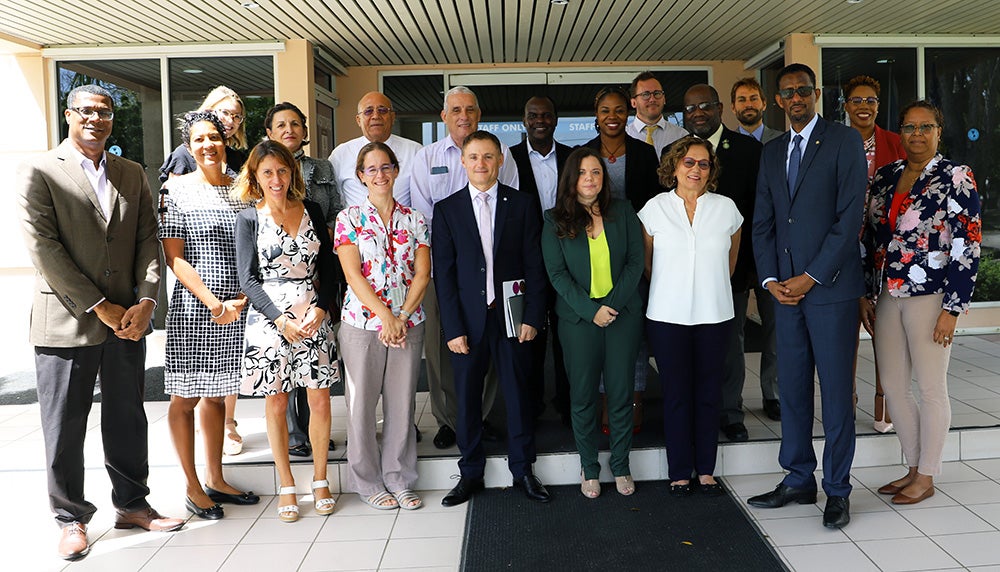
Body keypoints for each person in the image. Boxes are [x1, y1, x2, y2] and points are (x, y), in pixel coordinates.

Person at [17, 84, 184, 561]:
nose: (96, 119)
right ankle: (71, 518)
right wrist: (99, 306)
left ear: (113, 119)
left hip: (129, 320)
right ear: (69, 114)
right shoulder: (41, 169)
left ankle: (133, 504)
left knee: (128, 417)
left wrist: (148, 301)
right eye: (86, 111)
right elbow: (44, 248)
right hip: (68, 321)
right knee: (65, 424)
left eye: (105, 112)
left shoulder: (131, 172)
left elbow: (149, 239)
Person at [748, 63, 867, 530]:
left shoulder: (843, 141)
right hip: (785, 295)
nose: (795, 98)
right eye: (787, 93)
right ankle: (799, 478)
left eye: (803, 90)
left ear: (816, 94)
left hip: (831, 290)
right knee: (792, 389)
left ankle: (838, 489)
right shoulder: (772, 151)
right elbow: (764, 220)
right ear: (778, 100)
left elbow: (849, 218)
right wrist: (772, 280)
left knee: (836, 394)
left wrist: (811, 277)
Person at [861, 101, 981, 505]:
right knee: (894, 387)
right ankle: (911, 467)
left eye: (925, 126)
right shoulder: (885, 176)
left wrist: (952, 308)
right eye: (909, 127)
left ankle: (928, 474)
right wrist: (866, 292)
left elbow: (968, 245)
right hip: (887, 293)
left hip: (930, 294)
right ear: (900, 132)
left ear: (938, 131)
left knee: (931, 388)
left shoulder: (956, 177)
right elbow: (871, 239)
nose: (916, 134)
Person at [433, 130, 549, 506]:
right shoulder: (447, 209)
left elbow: (535, 264)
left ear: (499, 160)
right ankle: (469, 474)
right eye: (474, 157)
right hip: (467, 321)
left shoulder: (523, 204)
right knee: (467, 400)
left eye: (488, 157)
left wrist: (533, 314)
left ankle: (523, 471)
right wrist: (452, 327)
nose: (481, 164)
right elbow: (444, 275)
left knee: (518, 397)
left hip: (513, 317)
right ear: (463, 162)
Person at [159, 111, 260, 521]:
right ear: (188, 145)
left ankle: (216, 477)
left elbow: (251, 247)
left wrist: (237, 301)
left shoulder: (242, 189)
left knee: (218, 395)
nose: (208, 145)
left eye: (214, 137)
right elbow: (174, 257)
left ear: (226, 140)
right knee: (186, 397)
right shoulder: (175, 189)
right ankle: (191, 485)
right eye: (198, 139)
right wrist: (214, 303)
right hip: (195, 309)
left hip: (236, 308)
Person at [234, 140, 338, 523]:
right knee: (277, 402)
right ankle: (287, 484)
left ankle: (322, 480)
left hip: (313, 315)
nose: (276, 179)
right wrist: (279, 317)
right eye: (267, 172)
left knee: (321, 400)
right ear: (255, 177)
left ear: (292, 172)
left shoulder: (311, 209)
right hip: (270, 320)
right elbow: (248, 278)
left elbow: (329, 268)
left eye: (282, 170)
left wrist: (322, 307)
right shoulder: (248, 218)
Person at [411, 86, 519, 451]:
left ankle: (481, 415)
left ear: (479, 114)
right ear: (444, 116)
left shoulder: (501, 156)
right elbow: (424, 214)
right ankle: (448, 420)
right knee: (444, 346)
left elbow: (511, 210)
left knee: (486, 346)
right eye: (455, 109)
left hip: (491, 271)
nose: (463, 115)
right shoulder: (427, 158)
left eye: (470, 109)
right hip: (442, 267)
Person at [541, 147, 644, 498]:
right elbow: (556, 274)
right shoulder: (554, 219)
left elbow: (635, 262)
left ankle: (621, 465)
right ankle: (589, 467)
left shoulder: (624, 211)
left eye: (596, 172)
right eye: (583, 172)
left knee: (620, 394)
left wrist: (610, 306)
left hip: (622, 318)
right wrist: (591, 310)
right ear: (571, 178)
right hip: (578, 321)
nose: (590, 178)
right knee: (583, 396)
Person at [642, 136, 742, 497]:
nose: (696, 169)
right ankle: (680, 471)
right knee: (676, 393)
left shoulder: (727, 208)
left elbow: (729, 263)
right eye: (689, 162)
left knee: (708, 392)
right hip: (667, 315)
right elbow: (649, 264)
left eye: (703, 163)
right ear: (674, 166)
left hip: (714, 313)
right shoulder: (654, 209)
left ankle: (706, 470)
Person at [334, 142, 431, 510]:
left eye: (386, 167)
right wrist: (386, 316)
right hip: (362, 325)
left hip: (409, 322)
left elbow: (423, 274)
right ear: (361, 176)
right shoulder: (348, 219)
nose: (380, 174)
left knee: (402, 404)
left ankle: (399, 478)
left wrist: (402, 315)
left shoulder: (415, 219)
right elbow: (352, 275)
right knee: (361, 406)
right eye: (371, 169)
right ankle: (368, 481)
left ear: (396, 170)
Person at [675, 84, 771, 441]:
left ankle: (730, 412)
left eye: (704, 106)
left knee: (730, 344)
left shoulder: (748, 149)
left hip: (732, 269)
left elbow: (760, 212)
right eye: (690, 108)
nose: (697, 112)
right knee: (689, 346)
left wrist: (749, 266)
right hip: (683, 273)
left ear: (719, 108)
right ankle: (695, 410)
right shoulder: (674, 152)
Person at [265, 101, 343, 458]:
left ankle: (316, 432)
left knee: (316, 364)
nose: (289, 130)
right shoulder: (262, 170)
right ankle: (296, 433)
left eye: (295, 124)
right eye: (281, 125)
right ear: (269, 133)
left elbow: (335, 213)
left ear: (305, 130)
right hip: (280, 281)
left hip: (318, 265)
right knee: (284, 369)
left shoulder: (323, 167)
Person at [583, 85, 663, 433]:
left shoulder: (645, 154)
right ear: (596, 115)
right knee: (601, 333)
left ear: (628, 113)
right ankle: (604, 403)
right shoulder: (583, 154)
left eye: (618, 110)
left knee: (635, 336)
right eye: (605, 111)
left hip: (636, 253)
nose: (612, 117)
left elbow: (656, 205)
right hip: (595, 255)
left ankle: (634, 401)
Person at [844, 75, 907, 433]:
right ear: (846, 105)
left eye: (870, 100)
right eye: (856, 100)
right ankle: (846, 399)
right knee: (846, 329)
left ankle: (884, 399)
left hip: (885, 247)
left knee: (885, 327)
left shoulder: (896, 144)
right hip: (845, 246)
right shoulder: (834, 141)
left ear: (878, 106)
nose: (863, 106)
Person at [510, 95, 574, 423]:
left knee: (567, 337)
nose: (539, 120)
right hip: (527, 262)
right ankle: (531, 406)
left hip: (567, 263)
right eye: (533, 115)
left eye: (546, 115)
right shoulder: (510, 159)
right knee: (529, 337)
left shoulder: (571, 158)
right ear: (524, 120)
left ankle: (567, 403)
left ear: (555, 119)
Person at [329, 91, 423, 207]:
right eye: (368, 111)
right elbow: (333, 200)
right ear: (358, 120)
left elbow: (423, 199)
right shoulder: (341, 154)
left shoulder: (415, 151)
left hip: (406, 223)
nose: (375, 116)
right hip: (354, 224)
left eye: (382, 110)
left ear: (392, 117)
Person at [625, 71, 689, 157]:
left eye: (657, 93)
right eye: (645, 94)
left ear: (664, 99)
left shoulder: (681, 136)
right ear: (633, 103)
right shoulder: (624, 136)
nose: (652, 99)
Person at [731, 77, 783, 144]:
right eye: (742, 100)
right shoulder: (726, 143)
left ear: (764, 104)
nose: (748, 105)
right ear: (733, 108)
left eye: (753, 99)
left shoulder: (782, 140)